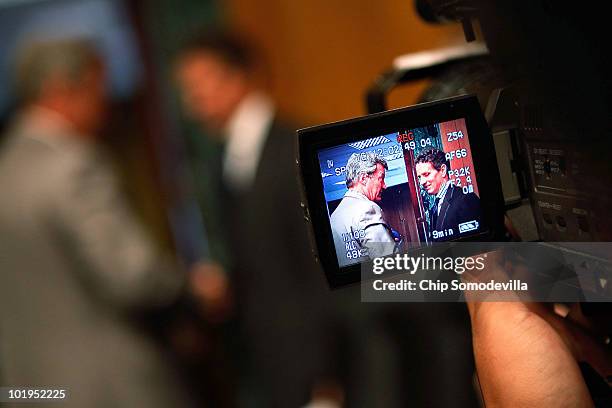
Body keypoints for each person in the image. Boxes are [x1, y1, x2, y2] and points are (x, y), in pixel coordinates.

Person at [0, 39, 217, 408]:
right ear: (61, 88)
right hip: (109, 387)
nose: (105, 104)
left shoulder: (7, 169)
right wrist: (189, 288)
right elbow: (131, 275)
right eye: (97, 87)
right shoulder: (73, 163)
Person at [175, 29, 338, 408]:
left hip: (314, 364)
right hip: (263, 360)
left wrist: (328, 375)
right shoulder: (221, 161)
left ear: (238, 77)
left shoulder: (296, 149)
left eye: (198, 86)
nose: (191, 103)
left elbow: (322, 274)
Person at [330, 152, 397, 266]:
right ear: (364, 178)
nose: (384, 185)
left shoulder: (334, 216)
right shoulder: (367, 209)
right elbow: (390, 265)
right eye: (381, 178)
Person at [415, 147, 481, 242]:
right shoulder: (434, 207)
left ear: (442, 170)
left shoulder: (465, 199)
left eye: (426, 174)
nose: (422, 182)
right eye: (419, 177)